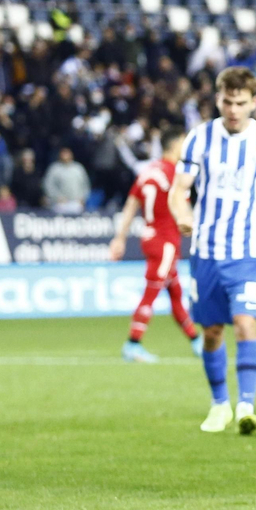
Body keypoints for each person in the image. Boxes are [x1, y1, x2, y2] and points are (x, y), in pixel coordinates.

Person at [170, 67, 256, 435]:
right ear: (218, 99)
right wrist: (182, 214)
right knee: (211, 331)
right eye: (227, 101)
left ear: (253, 102)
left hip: (247, 252)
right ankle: (218, 405)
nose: (233, 109)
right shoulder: (199, 138)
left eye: (241, 103)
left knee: (245, 323)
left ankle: (246, 405)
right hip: (206, 250)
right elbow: (178, 189)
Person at [109, 123, 197, 362]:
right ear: (177, 143)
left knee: (176, 292)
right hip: (166, 241)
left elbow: (130, 205)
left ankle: (196, 341)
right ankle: (133, 343)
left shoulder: (148, 171)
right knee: (151, 293)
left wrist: (120, 238)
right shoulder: (175, 175)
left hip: (149, 237)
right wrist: (189, 223)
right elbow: (183, 208)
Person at [43, 146, 89, 213]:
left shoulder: (78, 168)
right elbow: (48, 185)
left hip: (76, 202)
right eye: (63, 153)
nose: (65, 155)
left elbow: (85, 184)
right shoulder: (54, 168)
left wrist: (83, 198)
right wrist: (56, 197)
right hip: (60, 203)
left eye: (67, 153)